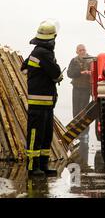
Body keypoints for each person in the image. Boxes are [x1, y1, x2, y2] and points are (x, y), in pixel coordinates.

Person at [21, 20, 63, 176]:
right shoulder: (42, 52)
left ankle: (43, 166)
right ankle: (33, 167)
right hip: (38, 103)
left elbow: (24, 67)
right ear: (52, 38)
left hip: (47, 103)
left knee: (45, 135)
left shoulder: (38, 52)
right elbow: (56, 73)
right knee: (35, 135)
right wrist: (51, 75)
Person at [67, 44, 92, 143]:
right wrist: (80, 73)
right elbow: (69, 74)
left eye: (83, 50)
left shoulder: (92, 60)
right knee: (76, 110)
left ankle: (85, 133)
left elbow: (96, 72)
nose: (82, 51)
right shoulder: (74, 61)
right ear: (77, 52)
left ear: (86, 50)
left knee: (85, 111)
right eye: (80, 50)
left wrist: (90, 73)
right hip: (76, 88)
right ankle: (76, 133)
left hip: (87, 89)